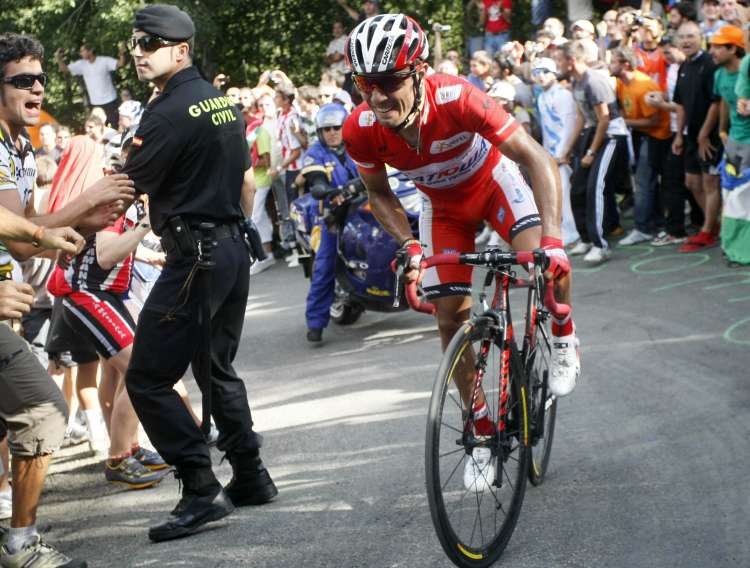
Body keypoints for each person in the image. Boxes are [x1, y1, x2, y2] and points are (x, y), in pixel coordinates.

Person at [342, 14, 579, 493]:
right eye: (366, 83)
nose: (377, 95)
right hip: (443, 209)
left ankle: (563, 333)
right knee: (449, 318)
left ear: (420, 70)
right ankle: (483, 428)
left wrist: (552, 239)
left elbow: (535, 157)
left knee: (548, 267)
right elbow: (379, 193)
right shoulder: (361, 128)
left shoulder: (458, 96)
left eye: (389, 81)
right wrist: (409, 244)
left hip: (493, 185)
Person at [122, 4, 277, 542]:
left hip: (197, 258)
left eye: (149, 45)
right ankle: (251, 475)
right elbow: (239, 179)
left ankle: (199, 487)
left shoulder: (165, 112)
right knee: (215, 368)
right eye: (135, 44)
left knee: (145, 377)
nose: (137, 54)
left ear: (179, 50)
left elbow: (133, 176)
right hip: (231, 247)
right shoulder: (219, 100)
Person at [0, 31, 91, 568]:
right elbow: (19, 233)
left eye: (40, 79)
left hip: (14, 303)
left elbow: (24, 226)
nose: (36, 89)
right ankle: (20, 545)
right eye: (21, 80)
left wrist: (63, 228)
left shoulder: (22, 144)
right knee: (42, 411)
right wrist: (84, 203)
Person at [556, 39, 629, 265]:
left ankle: (600, 245)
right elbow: (581, 118)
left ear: (572, 60)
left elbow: (604, 119)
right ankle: (586, 238)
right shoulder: (575, 82)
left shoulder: (593, 81)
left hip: (611, 137)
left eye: (560, 59)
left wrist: (591, 151)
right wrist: (567, 150)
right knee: (576, 189)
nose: (557, 63)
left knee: (594, 189)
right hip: (593, 134)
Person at [301, 104, 359, 343]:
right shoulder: (316, 153)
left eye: (337, 127)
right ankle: (315, 323)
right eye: (327, 129)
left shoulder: (358, 146)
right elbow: (315, 181)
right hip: (333, 215)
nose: (333, 132)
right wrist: (324, 189)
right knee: (325, 264)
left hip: (365, 208)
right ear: (320, 131)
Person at [610, 46, 672, 245]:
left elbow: (654, 122)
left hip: (656, 136)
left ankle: (643, 227)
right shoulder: (621, 82)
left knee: (644, 182)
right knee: (646, 181)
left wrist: (623, 122)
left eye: (613, 61)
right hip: (639, 135)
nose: (609, 65)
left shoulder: (644, 86)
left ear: (625, 64)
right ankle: (656, 222)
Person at [672, 21, 722, 252]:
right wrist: (679, 135)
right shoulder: (684, 66)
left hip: (710, 136)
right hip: (691, 136)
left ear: (701, 37)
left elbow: (717, 102)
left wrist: (704, 134)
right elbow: (680, 105)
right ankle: (715, 225)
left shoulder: (710, 64)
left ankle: (707, 230)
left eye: (691, 36)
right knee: (692, 183)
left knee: (711, 183)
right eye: (682, 37)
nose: (686, 41)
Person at [532, 57, 581, 246]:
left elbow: (568, 125)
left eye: (545, 71)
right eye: (537, 73)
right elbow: (546, 128)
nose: (541, 76)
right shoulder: (542, 97)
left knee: (565, 193)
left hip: (563, 154)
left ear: (554, 73)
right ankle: (562, 229)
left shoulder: (562, 95)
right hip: (551, 154)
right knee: (554, 192)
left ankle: (572, 230)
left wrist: (562, 153)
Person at [55, 43, 127, 128]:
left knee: (116, 126)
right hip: (95, 103)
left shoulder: (104, 61)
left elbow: (120, 63)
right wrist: (58, 58)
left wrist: (122, 54)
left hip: (110, 101)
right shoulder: (81, 64)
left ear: (90, 51)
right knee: (98, 128)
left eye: (83, 51)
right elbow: (65, 69)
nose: (80, 53)